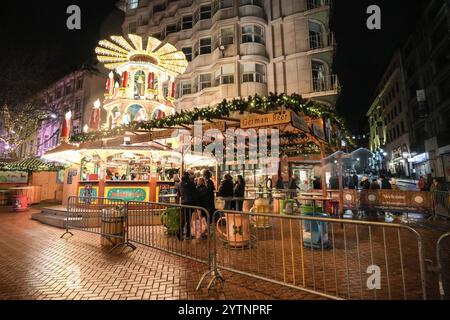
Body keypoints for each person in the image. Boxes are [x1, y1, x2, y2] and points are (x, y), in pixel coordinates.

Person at [178, 172, 198, 241]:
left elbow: (179, 194)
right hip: (190, 203)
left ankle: (180, 233)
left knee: (183, 219)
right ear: (188, 177)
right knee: (189, 219)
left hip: (183, 203)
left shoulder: (180, 184)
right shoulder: (191, 184)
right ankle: (188, 234)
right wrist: (196, 204)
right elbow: (195, 194)